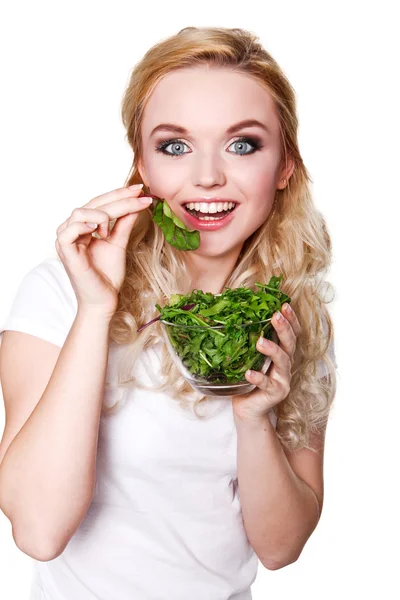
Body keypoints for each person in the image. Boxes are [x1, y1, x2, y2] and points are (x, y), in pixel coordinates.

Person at [0, 26, 337, 600]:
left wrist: (254, 420)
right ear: (142, 167)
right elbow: (38, 529)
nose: (207, 176)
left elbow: (280, 549)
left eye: (243, 144)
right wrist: (95, 312)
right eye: (174, 146)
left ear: (285, 166)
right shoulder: (62, 292)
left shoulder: (291, 315)